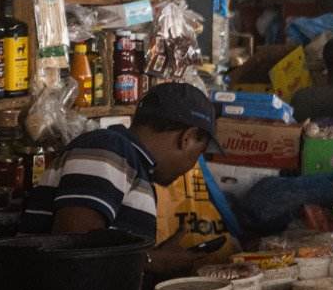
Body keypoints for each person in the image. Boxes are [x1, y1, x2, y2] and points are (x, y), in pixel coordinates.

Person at [20, 82, 228, 277]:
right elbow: (76, 248)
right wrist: (152, 260)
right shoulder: (108, 148)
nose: (191, 166)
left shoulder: (134, 165)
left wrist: (155, 255)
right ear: (188, 138)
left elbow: (103, 253)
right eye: (197, 154)